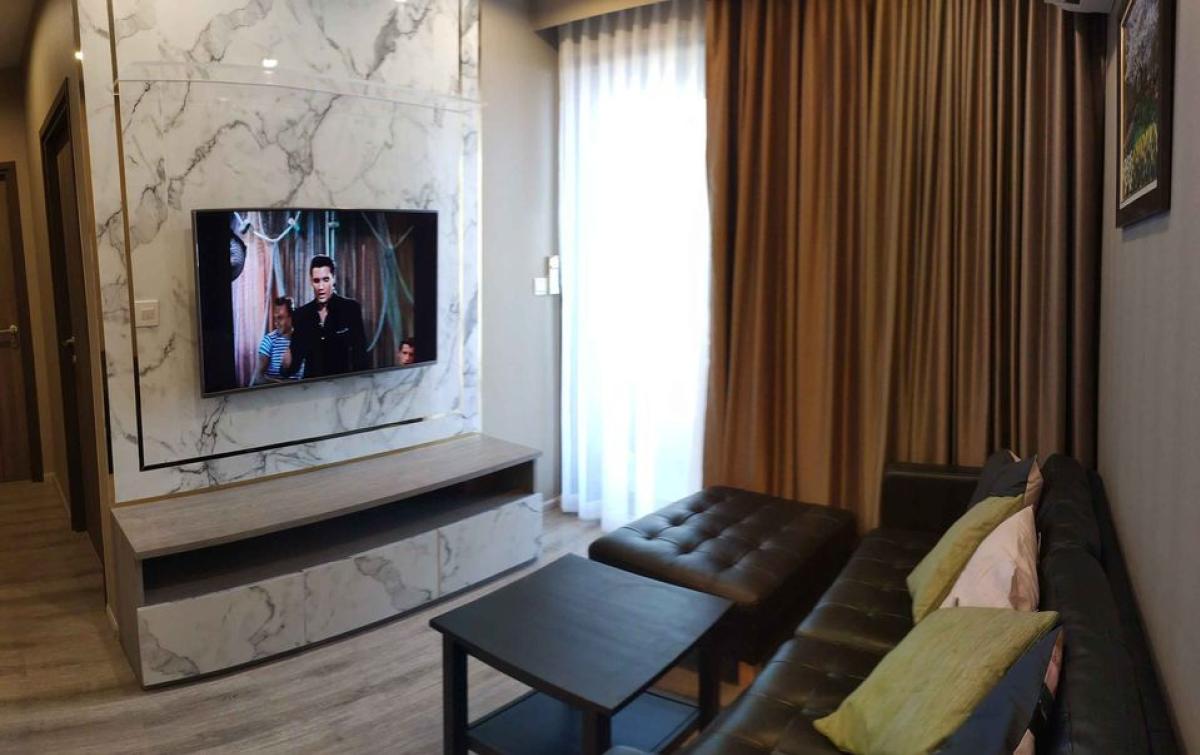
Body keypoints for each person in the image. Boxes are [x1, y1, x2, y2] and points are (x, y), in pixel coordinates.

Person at [282, 255, 368, 378]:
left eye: (326, 280)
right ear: (311, 281)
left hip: (343, 384)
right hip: (312, 386)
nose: (321, 287)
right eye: (316, 281)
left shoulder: (350, 309)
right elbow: (293, 367)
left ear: (334, 279)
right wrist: (286, 363)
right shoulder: (302, 315)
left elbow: (360, 356)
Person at [256, 297, 303, 383]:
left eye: (280, 318)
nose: (276, 323)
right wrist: (280, 385)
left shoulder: (303, 339)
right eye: (275, 318)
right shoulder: (269, 340)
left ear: (291, 317)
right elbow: (258, 377)